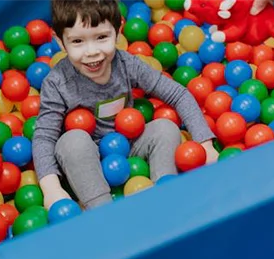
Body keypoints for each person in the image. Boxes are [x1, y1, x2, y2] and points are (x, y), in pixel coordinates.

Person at [33, 0, 218, 212]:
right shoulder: (57, 82)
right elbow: (44, 137)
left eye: (102, 37)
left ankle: (167, 197)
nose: (92, 52)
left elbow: (178, 94)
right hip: (88, 156)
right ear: (60, 42)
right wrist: (52, 190)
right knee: (71, 142)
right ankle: (103, 211)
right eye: (77, 41)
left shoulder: (127, 64)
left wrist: (205, 145)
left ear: (118, 31)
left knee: (166, 128)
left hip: (129, 143)